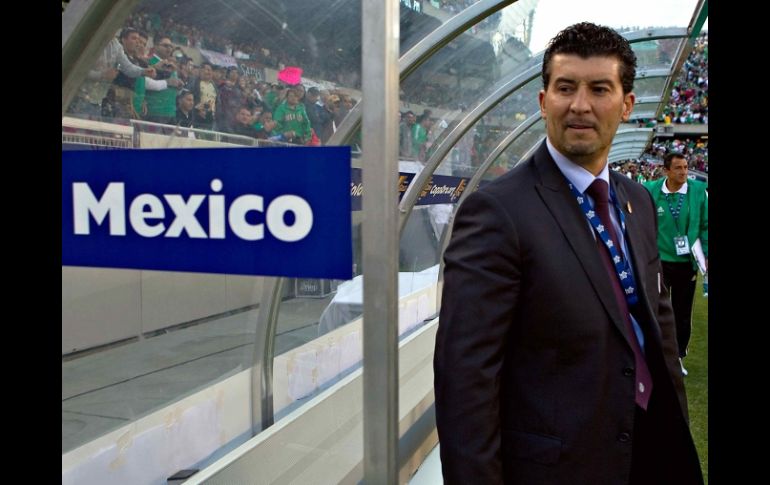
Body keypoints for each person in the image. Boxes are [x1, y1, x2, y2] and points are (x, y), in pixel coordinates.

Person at [434, 22, 703, 484]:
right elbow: (466, 380)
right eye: (565, 88)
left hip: (648, 445)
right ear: (543, 103)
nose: (580, 105)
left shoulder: (636, 201)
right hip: (562, 465)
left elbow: (656, 330)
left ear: (626, 105)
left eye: (599, 88)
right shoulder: (498, 211)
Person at [643, 152, 708, 375]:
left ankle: (678, 356)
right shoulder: (650, 190)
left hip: (685, 262)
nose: (684, 172)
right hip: (658, 261)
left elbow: (706, 224)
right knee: (656, 309)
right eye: (679, 168)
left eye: (686, 167)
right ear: (666, 170)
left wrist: (705, 255)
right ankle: (654, 353)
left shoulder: (698, 191)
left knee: (682, 312)